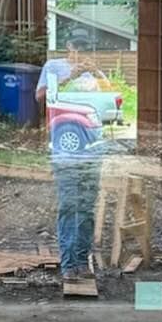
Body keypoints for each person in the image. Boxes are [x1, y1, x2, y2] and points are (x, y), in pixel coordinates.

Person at [35, 33, 104, 294]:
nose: (81, 53)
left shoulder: (93, 73)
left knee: (86, 207)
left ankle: (81, 261)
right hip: (64, 148)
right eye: (78, 48)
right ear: (69, 47)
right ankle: (67, 263)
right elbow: (41, 97)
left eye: (86, 49)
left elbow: (111, 100)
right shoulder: (53, 67)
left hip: (91, 148)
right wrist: (71, 76)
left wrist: (96, 74)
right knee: (68, 205)